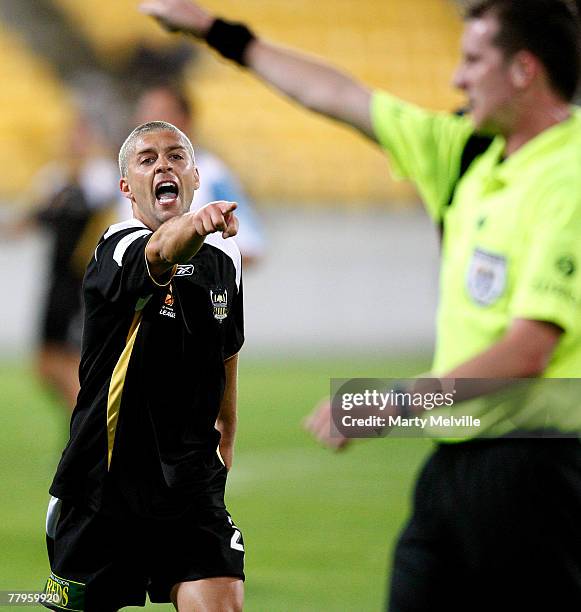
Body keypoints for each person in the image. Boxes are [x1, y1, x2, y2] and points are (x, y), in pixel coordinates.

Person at [139, 0, 581, 610]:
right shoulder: (469, 151)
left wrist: (394, 401)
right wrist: (218, 33)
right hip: (456, 461)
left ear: (525, 70)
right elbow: (337, 94)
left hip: (541, 468)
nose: (457, 79)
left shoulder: (570, 177)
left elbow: (531, 349)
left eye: (474, 60)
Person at [42, 121, 245, 612]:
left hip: (189, 486)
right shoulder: (116, 246)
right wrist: (196, 225)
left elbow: (226, 355)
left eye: (176, 157)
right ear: (126, 187)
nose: (164, 166)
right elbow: (159, 252)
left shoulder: (225, 258)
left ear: (195, 176)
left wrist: (225, 440)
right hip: (101, 488)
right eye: (147, 159)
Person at [1, 113, 118, 410]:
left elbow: (102, 206)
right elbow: (36, 216)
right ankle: (85, 427)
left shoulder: (100, 175)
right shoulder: (54, 177)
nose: (74, 143)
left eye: (81, 136)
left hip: (82, 280)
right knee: (44, 365)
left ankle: (90, 434)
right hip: (56, 280)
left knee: (72, 362)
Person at [126, 82, 266, 267]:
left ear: (185, 120)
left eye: (161, 112)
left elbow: (251, 245)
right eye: (146, 112)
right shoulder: (128, 175)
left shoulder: (212, 173)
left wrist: (187, 257)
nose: (150, 121)